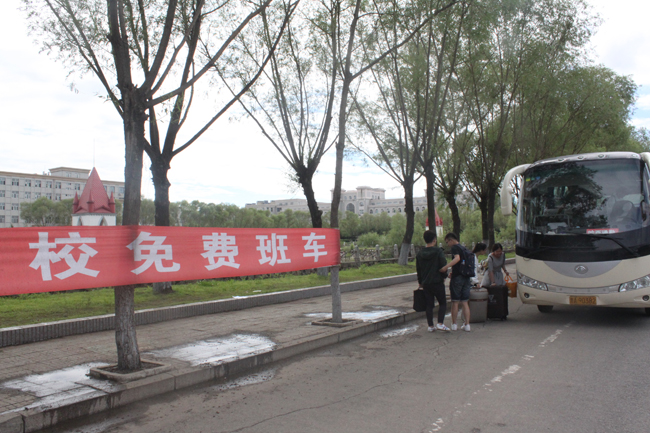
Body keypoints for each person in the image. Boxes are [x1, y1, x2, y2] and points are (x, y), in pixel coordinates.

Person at [416, 230, 450, 332]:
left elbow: (418, 269)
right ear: (434, 240)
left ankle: (430, 326)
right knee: (442, 303)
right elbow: (443, 265)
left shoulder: (420, 254)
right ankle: (440, 323)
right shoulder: (438, 251)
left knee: (429, 305)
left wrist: (420, 281)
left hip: (426, 283)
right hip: (437, 281)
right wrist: (444, 276)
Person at [439, 233, 472, 332]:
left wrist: (446, 267)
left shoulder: (455, 248)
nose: (448, 244)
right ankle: (467, 325)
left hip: (457, 278)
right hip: (466, 277)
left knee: (455, 301)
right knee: (465, 302)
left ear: (451, 240)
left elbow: (457, 259)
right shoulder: (464, 248)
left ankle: (454, 324)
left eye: (447, 242)